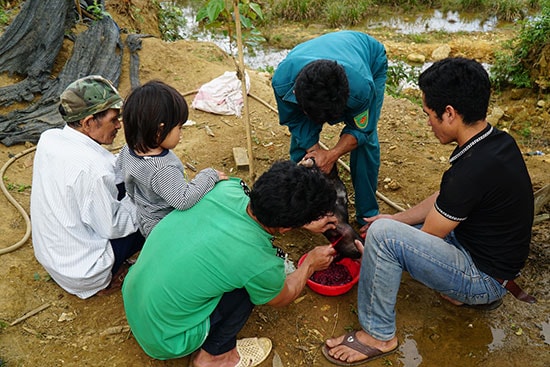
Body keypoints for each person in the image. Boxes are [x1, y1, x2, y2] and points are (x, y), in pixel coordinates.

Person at [322, 57, 535, 365]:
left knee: (382, 238)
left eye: (428, 114)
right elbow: (445, 198)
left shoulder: (471, 170)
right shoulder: (495, 143)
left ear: (449, 113)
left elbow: (425, 239)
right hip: (495, 266)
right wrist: (394, 218)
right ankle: (460, 291)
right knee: (388, 229)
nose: (428, 122)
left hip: (485, 279)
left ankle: (378, 336)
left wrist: (375, 249)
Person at [122, 160, 342, 367]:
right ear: (285, 228)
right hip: (167, 339)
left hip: (135, 299)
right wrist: (310, 264)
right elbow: (283, 296)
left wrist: (300, 216)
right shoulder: (259, 261)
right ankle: (215, 357)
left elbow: (275, 198)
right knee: (250, 288)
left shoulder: (225, 189)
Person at [31, 75, 144, 299]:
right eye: (113, 119)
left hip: (52, 255)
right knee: (153, 214)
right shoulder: (92, 170)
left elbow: (109, 170)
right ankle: (108, 277)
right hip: (83, 270)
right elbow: (112, 227)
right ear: (88, 122)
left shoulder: (50, 138)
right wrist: (143, 200)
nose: (119, 125)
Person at [271, 30, 388, 225]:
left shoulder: (361, 88)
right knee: (302, 141)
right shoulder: (283, 82)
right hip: (313, 65)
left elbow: (361, 130)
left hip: (369, 57)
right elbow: (296, 120)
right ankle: (299, 205)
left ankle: (367, 215)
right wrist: (314, 152)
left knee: (365, 144)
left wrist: (332, 155)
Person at [116, 80, 227, 237]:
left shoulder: (128, 150)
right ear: (159, 130)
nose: (181, 134)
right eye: (179, 128)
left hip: (146, 217)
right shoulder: (162, 169)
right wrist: (209, 175)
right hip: (167, 227)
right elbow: (183, 200)